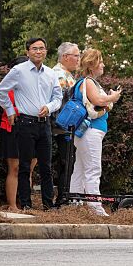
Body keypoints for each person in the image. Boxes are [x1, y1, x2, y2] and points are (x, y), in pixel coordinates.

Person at [0, 38, 61, 210]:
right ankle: (25, 203)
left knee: (46, 166)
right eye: (34, 49)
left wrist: (49, 107)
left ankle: (48, 204)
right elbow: (1, 90)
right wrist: (10, 111)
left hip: (44, 123)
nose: (38, 52)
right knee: (24, 165)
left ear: (46, 51)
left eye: (41, 48)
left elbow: (58, 97)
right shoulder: (19, 71)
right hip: (25, 122)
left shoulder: (50, 73)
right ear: (27, 52)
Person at [69, 48, 120, 216]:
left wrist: (109, 99)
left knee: (81, 168)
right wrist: (113, 97)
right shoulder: (88, 82)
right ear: (92, 65)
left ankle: (75, 203)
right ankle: (95, 207)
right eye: (101, 61)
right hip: (91, 130)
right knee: (93, 169)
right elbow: (98, 100)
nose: (103, 64)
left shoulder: (87, 81)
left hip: (85, 132)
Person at [51, 41, 82, 203]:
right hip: (61, 127)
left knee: (67, 162)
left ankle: (64, 196)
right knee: (66, 162)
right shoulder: (60, 76)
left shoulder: (68, 75)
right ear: (65, 57)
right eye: (76, 55)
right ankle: (62, 198)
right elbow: (65, 104)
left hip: (63, 127)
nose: (79, 59)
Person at [0, 54, 28, 210]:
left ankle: (25, 202)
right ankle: (12, 204)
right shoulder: (8, 87)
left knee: (27, 168)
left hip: (32, 127)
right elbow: (8, 107)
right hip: (13, 128)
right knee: (14, 167)